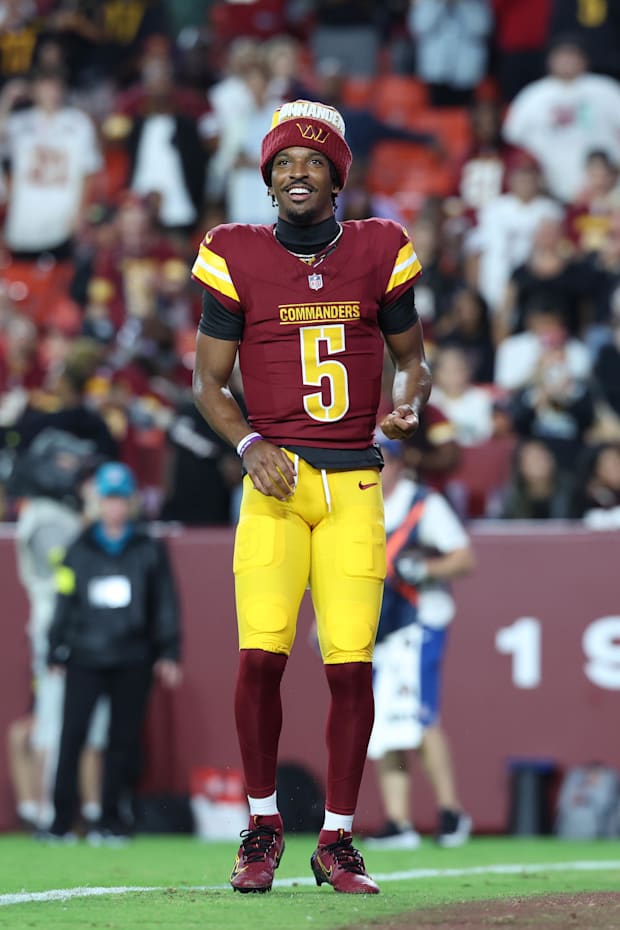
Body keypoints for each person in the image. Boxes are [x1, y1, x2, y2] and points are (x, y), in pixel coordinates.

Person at [191, 98, 431, 894]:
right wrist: (250, 443)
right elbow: (208, 383)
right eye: (285, 161)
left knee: (349, 665)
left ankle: (337, 839)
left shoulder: (380, 246)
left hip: (355, 480)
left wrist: (411, 397)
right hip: (278, 479)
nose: (299, 171)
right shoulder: (234, 251)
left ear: (337, 176)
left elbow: (412, 358)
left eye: (314, 160)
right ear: (268, 176)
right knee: (261, 654)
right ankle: (261, 828)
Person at [45, 461, 182, 843]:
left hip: (132, 655)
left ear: (131, 502)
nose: (115, 507)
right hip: (85, 655)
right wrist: (55, 647)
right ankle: (61, 821)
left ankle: (111, 820)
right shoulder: (79, 547)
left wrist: (169, 650)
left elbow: (165, 602)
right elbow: (65, 599)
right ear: (98, 502)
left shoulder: (148, 548)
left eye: (121, 499)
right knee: (72, 736)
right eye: (109, 499)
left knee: (123, 740)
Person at [366, 432, 475, 849]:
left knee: (419, 714)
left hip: (419, 622)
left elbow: (464, 557)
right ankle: (398, 820)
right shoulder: (360, 505)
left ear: (400, 463)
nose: (379, 470)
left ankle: (450, 812)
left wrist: (425, 568)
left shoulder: (422, 502)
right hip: (379, 627)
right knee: (384, 720)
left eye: (386, 461)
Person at [10, 428, 109, 831]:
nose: (76, 469)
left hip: (71, 628)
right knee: (54, 718)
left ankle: (59, 809)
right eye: (67, 461)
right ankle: (52, 811)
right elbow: (73, 567)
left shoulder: (55, 512)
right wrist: (94, 515)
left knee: (71, 719)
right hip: (59, 629)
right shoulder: (45, 518)